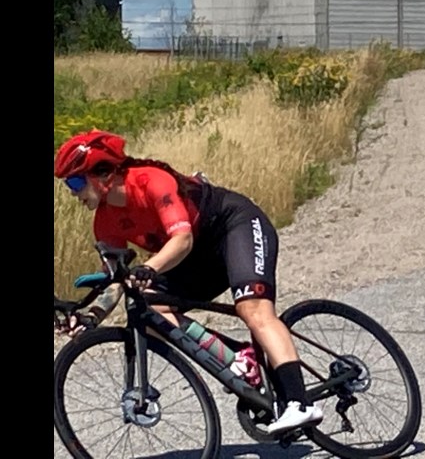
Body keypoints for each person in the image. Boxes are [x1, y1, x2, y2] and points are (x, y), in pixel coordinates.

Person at [53, 129, 324, 435]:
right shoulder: (104, 221)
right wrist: (89, 316)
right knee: (150, 311)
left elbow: (181, 239)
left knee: (254, 311)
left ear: (102, 174)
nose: (73, 193)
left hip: (234, 228)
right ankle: (240, 357)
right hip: (196, 259)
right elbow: (118, 280)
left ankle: (301, 404)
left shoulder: (150, 180)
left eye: (75, 183)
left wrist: (150, 267)